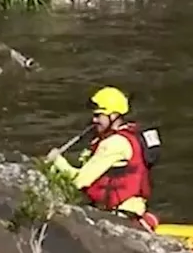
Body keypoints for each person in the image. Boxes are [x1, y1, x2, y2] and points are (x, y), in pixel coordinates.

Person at [45, 86, 162, 230]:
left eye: (98, 115)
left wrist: (57, 162)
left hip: (118, 216)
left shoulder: (113, 143)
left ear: (113, 116)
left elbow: (78, 181)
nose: (94, 120)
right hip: (134, 210)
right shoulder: (129, 136)